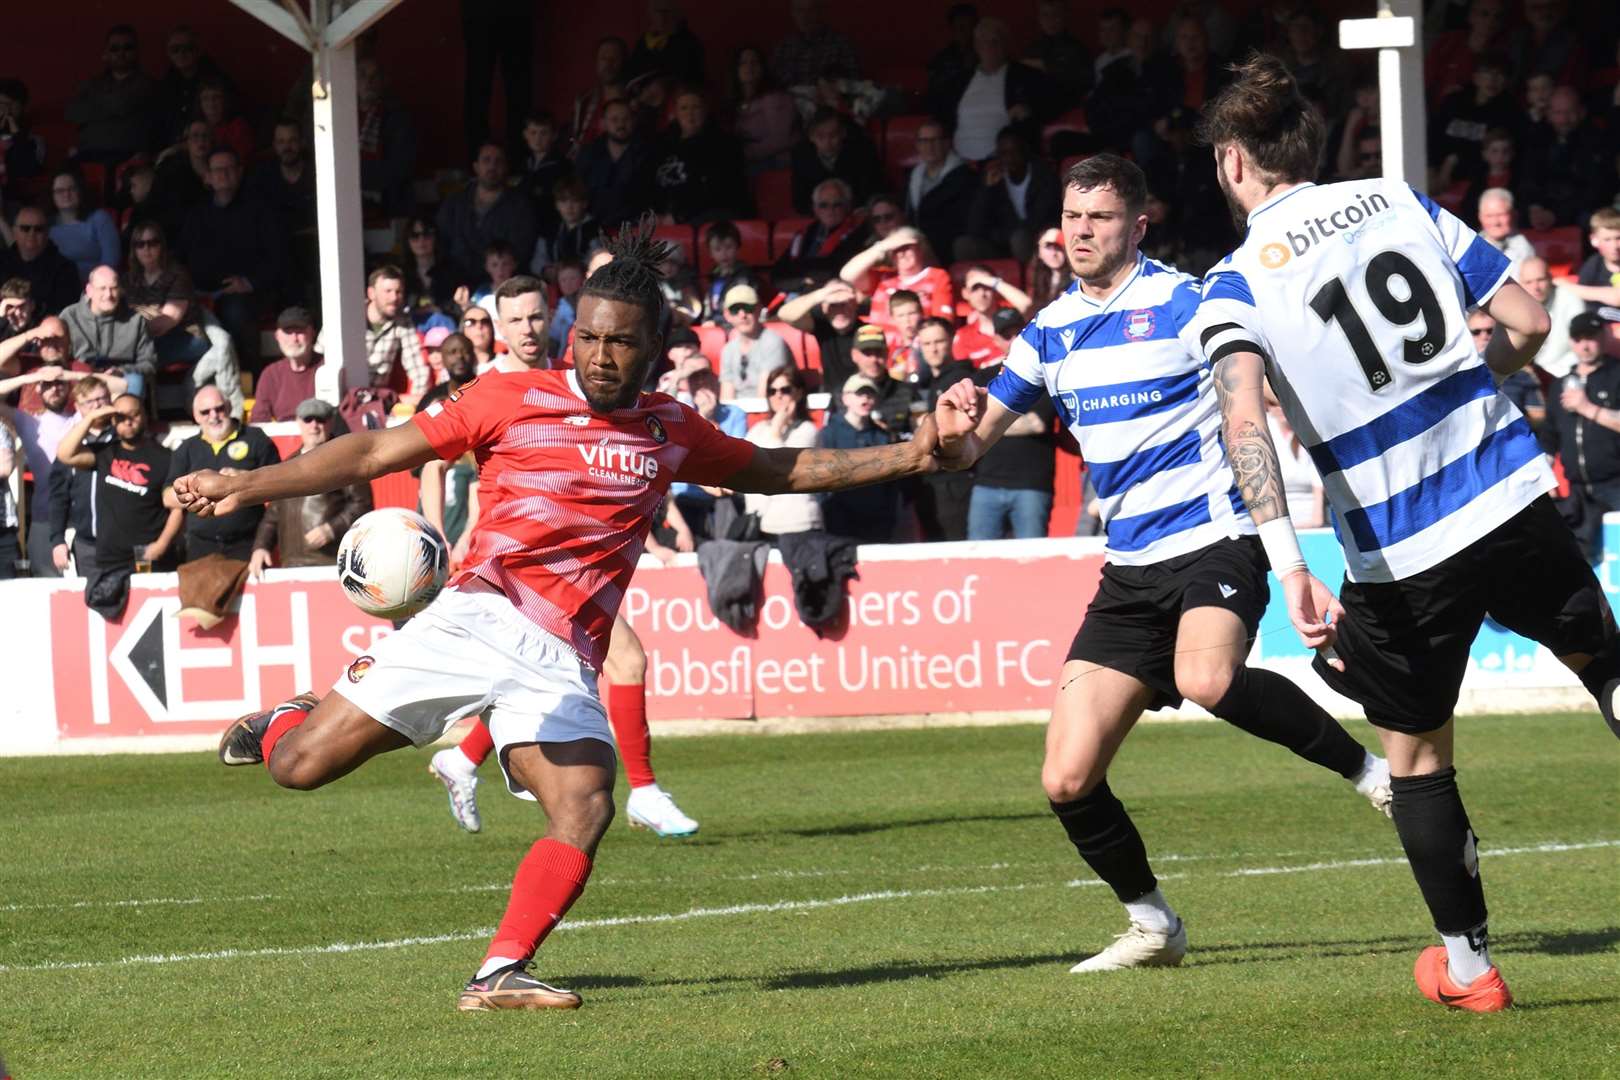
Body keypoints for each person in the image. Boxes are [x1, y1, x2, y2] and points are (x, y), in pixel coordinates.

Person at [176, 238, 939, 1012]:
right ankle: (289, 721)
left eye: (621, 342)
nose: (602, 356)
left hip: (565, 656)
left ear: (656, 349)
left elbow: (778, 470)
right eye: (591, 338)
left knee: (586, 802)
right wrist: (246, 483)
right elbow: (375, 448)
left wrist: (909, 457)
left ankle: (500, 972)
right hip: (477, 618)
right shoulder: (508, 398)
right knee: (296, 768)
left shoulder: (671, 430)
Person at [1193, 54, 1619, 1012]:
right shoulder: (1397, 201)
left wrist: (1288, 563)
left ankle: (1469, 971)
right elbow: (1525, 316)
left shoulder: (1230, 285)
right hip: (1507, 489)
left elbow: (1245, 425)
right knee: (1606, 665)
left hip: (1400, 545)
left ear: (1233, 164)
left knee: (1418, 757)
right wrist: (1484, 382)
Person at [933, 151, 1393, 976]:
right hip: (1130, 568)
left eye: (1099, 218)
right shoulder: (1046, 333)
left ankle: (1370, 772)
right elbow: (968, 449)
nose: (1080, 231)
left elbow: (1255, 398)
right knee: (1067, 778)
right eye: (1072, 217)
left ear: (1139, 223)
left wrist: (1289, 553)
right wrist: (951, 419)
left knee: (1210, 677)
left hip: (1217, 540)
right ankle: (1153, 925)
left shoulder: (1188, 301)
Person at [55, 394, 182, 585]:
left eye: (134, 415)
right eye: (121, 417)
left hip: (149, 557)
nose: (128, 422)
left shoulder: (166, 457)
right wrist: (90, 418)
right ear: (113, 420)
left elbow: (178, 508)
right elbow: (65, 454)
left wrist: (161, 545)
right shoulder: (105, 452)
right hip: (110, 559)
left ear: (145, 416)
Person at [179, 148, 287, 370]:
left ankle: (247, 378)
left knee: (235, 312)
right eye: (217, 169)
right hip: (199, 293)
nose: (223, 174)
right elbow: (182, 256)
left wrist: (247, 283)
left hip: (246, 294)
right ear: (207, 176)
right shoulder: (196, 215)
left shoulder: (260, 210)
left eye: (229, 169)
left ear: (239, 172)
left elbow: (277, 259)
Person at [124, 221, 241, 416]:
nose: (146, 249)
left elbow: (167, 320)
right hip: (148, 340)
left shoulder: (177, 275)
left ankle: (137, 416)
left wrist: (128, 336)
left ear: (162, 245)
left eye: (152, 243)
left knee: (137, 360)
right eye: (140, 244)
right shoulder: (129, 280)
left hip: (187, 338)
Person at [248, 399, 371, 580]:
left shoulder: (345, 460)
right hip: (290, 566)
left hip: (332, 565)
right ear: (298, 422)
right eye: (308, 419)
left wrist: (331, 529)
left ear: (331, 422)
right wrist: (260, 547)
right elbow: (273, 514)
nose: (314, 426)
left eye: (320, 420)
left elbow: (363, 505)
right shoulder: (288, 464)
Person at [163, 384, 281, 561]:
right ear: (196, 416)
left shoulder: (256, 438)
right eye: (205, 412)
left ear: (230, 407)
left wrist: (243, 479)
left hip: (248, 544)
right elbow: (167, 497)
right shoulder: (187, 448)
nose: (213, 416)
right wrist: (201, 489)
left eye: (219, 409)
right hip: (200, 546)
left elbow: (279, 486)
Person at [1548, 313, 1620, 562]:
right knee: (1580, 561)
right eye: (1579, 339)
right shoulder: (1560, 385)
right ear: (1571, 342)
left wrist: (1587, 408)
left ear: (1603, 337)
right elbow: (1549, 436)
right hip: (1577, 492)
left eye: (1590, 338)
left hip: (1615, 484)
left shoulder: (1617, 375)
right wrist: (1544, 478)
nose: (1585, 345)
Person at [965, 351, 1057, 539]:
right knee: (978, 557)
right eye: (1004, 334)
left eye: (1015, 332)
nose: (1011, 340)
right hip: (986, 482)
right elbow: (966, 420)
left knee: (1032, 558)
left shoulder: (1045, 377)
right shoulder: (983, 377)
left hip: (1031, 485)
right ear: (997, 339)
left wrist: (985, 422)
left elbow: (1036, 423)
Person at [317, 266, 431, 402]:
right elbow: (318, 358)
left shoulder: (403, 321)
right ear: (371, 293)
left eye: (398, 291)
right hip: (342, 397)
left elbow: (417, 367)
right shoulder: (346, 317)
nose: (394, 297)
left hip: (377, 398)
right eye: (388, 291)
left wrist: (419, 400)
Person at [666, 366, 749, 547]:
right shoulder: (681, 414)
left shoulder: (735, 414)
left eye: (706, 378)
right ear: (689, 387)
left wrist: (710, 420)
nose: (702, 385)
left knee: (729, 505)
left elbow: (734, 457)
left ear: (717, 383)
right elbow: (684, 456)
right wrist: (702, 417)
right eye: (696, 380)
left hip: (723, 494)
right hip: (686, 496)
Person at [436, 143, 538, 288]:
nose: (492, 166)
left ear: (505, 167)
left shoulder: (520, 206)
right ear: (476, 166)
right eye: (486, 160)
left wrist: (495, 269)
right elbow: (442, 243)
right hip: (458, 282)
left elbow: (522, 249)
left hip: (504, 284)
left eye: (498, 161)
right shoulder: (454, 203)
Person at [948, 17, 1047, 164]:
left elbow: (1056, 98)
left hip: (1005, 163)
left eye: (995, 41)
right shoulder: (960, 81)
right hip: (959, 164)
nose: (989, 47)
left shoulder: (1023, 75)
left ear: (1005, 44)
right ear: (976, 45)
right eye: (983, 41)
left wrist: (1030, 109)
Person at [816, 373, 901, 543]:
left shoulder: (883, 436)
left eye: (870, 394)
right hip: (839, 521)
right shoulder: (828, 434)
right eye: (859, 393)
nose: (865, 398)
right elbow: (819, 480)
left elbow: (891, 484)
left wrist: (889, 517)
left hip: (876, 523)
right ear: (845, 399)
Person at [958, 127, 1061, 264]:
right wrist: (987, 190)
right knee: (963, 245)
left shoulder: (1043, 176)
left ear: (1025, 151)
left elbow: (1037, 222)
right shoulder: (994, 179)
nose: (1009, 158)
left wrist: (1004, 234)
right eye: (1003, 153)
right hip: (1003, 244)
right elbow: (975, 228)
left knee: (1020, 238)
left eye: (1014, 152)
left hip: (1036, 241)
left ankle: (1030, 282)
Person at [47, 376, 117, 576]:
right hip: (87, 541)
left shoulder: (125, 439)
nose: (98, 406)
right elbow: (58, 497)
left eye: (102, 399)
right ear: (78, 407)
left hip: (122, 541)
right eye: (90, 401)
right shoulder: (70, 445)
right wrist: (57, 540)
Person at [743, 364, 823, 539]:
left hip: (799, 523)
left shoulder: (807, 430)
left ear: (799, 393)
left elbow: (780, 465)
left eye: (785, 390)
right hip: (763, 522)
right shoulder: (757, 430)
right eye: (772, 391)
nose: (778, 395)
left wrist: (777, 429)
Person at [648, 88, 749, 224]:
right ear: (676, 113)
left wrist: (678, 216)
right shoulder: (661, 145)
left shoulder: (723, 144)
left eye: (696, 107)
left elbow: (718, 191)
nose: (690, 113)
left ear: (705, 111)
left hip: (709, 214)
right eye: (684, 108)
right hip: (665, 216)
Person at [64, 25, 159, 167]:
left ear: (137, 52)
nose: (121, 53)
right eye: (114, 49)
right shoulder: (92, 83)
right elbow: (73, 113)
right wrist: (115, 108)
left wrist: (95, 107)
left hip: (129, 154)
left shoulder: (147, 83)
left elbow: (121, 104)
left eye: (127, 47)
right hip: (89, 152)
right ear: (106, 53)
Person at [59, 266, 157, 400]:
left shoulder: (136, 320)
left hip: (122, 375)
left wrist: (122, 370)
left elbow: (149, 363)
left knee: (135, 380)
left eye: (114, 288)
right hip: (83, 374)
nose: (108, 295)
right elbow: (60, 359)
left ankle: (126, 418)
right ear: (89, 290)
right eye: (102, 288)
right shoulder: (70, 316)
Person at [840, 226, 956, 323]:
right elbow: (847, 275)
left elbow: (943, 322)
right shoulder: (884, 278)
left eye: (906, 248)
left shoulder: (937, 276)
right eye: (896, 250)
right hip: (878, 344)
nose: (902, 254)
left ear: (921, 249)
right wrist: (881, 246)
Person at [773, 178, 870, 292]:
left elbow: (835, 270)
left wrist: (801, 272)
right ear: (815, 208)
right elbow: (777, 275)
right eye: (824, 205)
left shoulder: (857, 233)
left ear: (848, 206)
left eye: (837, 204)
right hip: (801, 293)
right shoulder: (805, 234)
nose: (830, 210)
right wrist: (804, 282)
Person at [905, 120, 978, 265]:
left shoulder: (963, 176)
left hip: (948, 247)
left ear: (946, 143)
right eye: (924, 141)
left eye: (935, 140)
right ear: (918, 145)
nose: (929, 146)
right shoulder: (914, 177)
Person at [574, 99, 652, 231]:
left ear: (634, 121)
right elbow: (577, 190)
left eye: (626, 119)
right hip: (594, 229)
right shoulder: (589, 153)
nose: (621, 124)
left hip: (635, 229)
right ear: (603, 123)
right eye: (614, 119)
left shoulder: (647, 153)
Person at [790, 109, 883, 217]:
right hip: (818, 216)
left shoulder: (862, 151)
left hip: (856, 214)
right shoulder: (801, 156)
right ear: (811, 137)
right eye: (820, 136)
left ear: (843, 133)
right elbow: (800, 199)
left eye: (833, 135)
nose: (827, 142)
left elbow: (872, 189)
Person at [776, 277, 860, 391]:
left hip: (864, 395)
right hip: (832, 398)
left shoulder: (866, 331)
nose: (840, 311)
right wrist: (823, 294)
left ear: (855, 304)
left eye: (844, 304)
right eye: (833, 304)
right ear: (824, 307)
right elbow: (784, 314)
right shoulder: (823, 328)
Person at [0, 206, 82, 316]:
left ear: (47, 233)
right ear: (14, 232)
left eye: (38, 229)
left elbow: (65, 314)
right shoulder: (2, 261)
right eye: (25, 228)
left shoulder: (65, 268)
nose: (32, 233)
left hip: (44, 328)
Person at [730, 45, 798, 174]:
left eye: (754, 62)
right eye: (743, 63)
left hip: (778, 162)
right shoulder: (737, 104)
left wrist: (742, 153)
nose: (749, 67)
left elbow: (781, 140)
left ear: (762, 67)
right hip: (752, 162)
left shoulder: (774, 98)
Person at [250, 308, 326, 422]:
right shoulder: (270, 374)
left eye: (300, 331)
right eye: (288, 332)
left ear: (312, 333)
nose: (294, 339)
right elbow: (258, 421)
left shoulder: (327, 368)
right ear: (277, 336)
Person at [1518, 256, 1587, 378]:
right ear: (1520, 284)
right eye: (1529, 282)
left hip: (1565, 371)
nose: (1536, 287)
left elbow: (1581, 344)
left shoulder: (1570, 299)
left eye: (1541, 280)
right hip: (1527, 374)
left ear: (1550, 278)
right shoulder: (1514, 305)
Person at [47, 170, 120, 283]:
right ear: (52, 195)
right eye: (60, 191)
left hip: (96, 288)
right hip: (58, 288)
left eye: (72, 189)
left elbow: (111, 262)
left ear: (80, 191)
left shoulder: (100, 219)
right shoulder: (46, 224)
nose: (66, 194)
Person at [717, 284, 789, 398]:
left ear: (759, 309)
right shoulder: (728, 350)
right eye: (735, 310)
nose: (742, 315)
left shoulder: (773, 342)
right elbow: (727, 396)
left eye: (748, 308)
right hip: (738, 413)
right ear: (727, 315)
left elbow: (766, 395)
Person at [953, 264, 1031, 364]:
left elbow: (1027, 306)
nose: (982, 294)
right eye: (975, 288)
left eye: (987, 287)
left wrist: (994, 282)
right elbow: (963, 375)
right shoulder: (963, 337)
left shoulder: (1014, 317)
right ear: (965, 293)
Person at [771, 0, 860, 88]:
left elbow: (854, 83)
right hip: (788, 100)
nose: (805, 16)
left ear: (820, 12)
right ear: (793, 13)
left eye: (811, 10)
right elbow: (772, 83)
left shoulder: (839, 45)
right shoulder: (785, 47)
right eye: (800, 10)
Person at [570, 36, 628, 147]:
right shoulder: (584, 101)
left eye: (614, 59)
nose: (608, 64)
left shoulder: (633, 102)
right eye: (603, 58)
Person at [1565, 206, 1620, 312]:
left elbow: (1618, 298)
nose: (1615, 246)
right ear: (1594, 240)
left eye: (1618, 238)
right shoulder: (1594, 264)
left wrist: (1568, 287)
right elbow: (1578, 295)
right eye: (1607, 240)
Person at [1474, 189, 1534, 276]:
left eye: (1501, 215)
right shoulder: (1471, 244)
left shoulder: (1524, 247)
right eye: (1489, 216)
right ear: (1480, 217)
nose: (1495, 222)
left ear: (1513, 215)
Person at [1026, 226, 1074, 309]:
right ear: (1039, 252)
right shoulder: (1037, 277)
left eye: (1058, 248)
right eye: (1048, 247)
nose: (1053, 254)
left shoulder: (1075, 279)